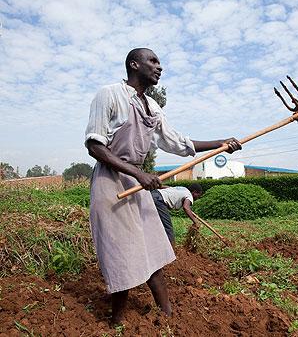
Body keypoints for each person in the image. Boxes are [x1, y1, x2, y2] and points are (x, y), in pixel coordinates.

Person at [84, 48, 241, 324]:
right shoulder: (108, 94)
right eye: (153, 61)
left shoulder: (153, 107)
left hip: (138, 183)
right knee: (122, 251)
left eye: (159, 62)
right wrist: (138, 173)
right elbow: (95, 146)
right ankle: (117, 321)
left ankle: (167, 317)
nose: (160, 67)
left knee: (153, 248)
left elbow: (178, 142)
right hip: (112, 183)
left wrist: (220, 145)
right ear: (134, 64)